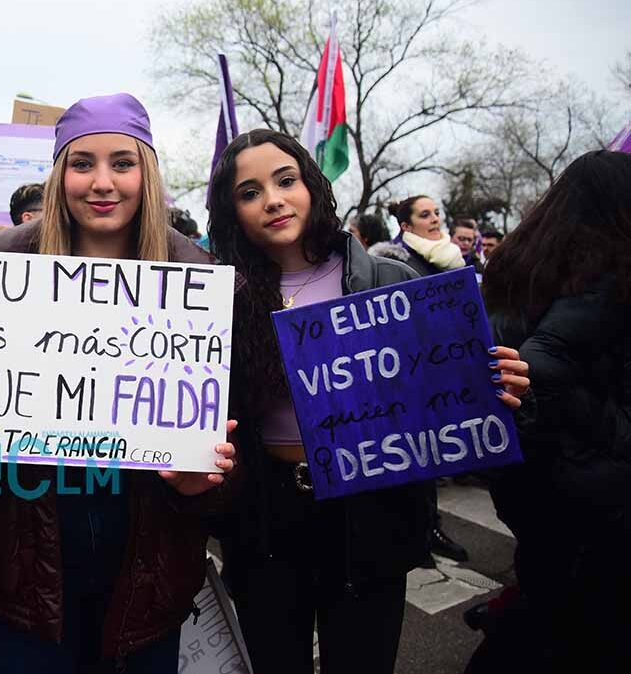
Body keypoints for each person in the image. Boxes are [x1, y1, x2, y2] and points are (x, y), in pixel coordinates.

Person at [0, 93, 238, 673]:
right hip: (17, 572)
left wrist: (209, 477)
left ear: (146, 172)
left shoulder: (200, 280)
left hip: (143, 576)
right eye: (82, 164)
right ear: (58, 175)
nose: (103, 182)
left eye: (122, 163)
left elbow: (230, 449)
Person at [205, 129, 529, 674]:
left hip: (369, 521)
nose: (274, 200)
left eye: (286, 180)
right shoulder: (221, 299)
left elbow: (442, 393)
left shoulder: (388, 278)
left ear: (312, 185)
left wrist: (500, 385)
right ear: (232, 211)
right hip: (263, 524)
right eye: (250, 192)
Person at [482, 150, 631, 672]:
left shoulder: (512, 269)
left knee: (547, 600)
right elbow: (548, 365)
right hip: (596, 499)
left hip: (524, 482)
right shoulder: (612, 275)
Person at [388, 194, 471, 564]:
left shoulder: (450, 258)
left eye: (437, 212)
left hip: (443, 366)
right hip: (408, 373)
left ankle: (429, 527)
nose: (435, 219)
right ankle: (414, 534)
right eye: (425, 215)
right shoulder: (394, 262)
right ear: (406, 226)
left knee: (435, 453)